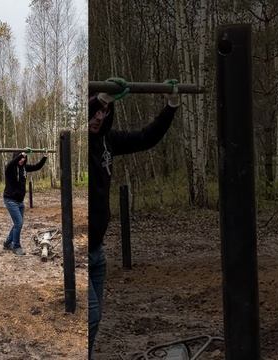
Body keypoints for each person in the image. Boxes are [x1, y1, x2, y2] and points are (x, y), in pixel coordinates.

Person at [88, 78, 180, 359]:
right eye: (93, 112)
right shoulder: (80, 142)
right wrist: (101, 99)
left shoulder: (109, 141)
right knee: (90, 315)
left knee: (96, 316)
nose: (97, 118)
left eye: (103, 113)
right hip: (77, 249)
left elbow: (146, 138)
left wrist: (171, 106)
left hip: (97, 250)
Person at [2, 149, 47, 256]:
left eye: (24, 158)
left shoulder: (24, 168)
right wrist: (20, 154)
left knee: (18, 223)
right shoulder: (10, 168)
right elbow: (11, 163)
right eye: (20, 158)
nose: (22, 160)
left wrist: (44, 157)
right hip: (10, 200)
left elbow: (37, 166)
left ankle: (8, 242)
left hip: (20, 201)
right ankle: (16, 246)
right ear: (16, 158)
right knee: (19, 223)